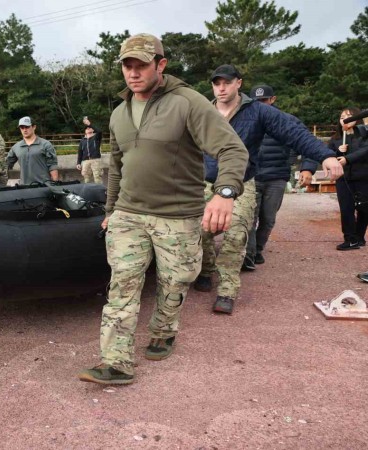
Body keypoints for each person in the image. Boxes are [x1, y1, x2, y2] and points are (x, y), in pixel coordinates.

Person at [77, 34, 249, 386]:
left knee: (174, 284)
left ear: (161, 64)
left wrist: (225, 192)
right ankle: (116, 362)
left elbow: (233, 150)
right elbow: (117, 166)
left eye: (142, 64)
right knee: (122, 285)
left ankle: (164, 330)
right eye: (128, 65)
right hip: (128, 214)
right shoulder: (118, 113)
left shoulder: (188, 103)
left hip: (178, 217)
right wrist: (111, 209)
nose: (134, 72)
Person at [195, 65, 342, 315]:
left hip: (242, 183)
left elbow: (293, 131)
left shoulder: (258, 111)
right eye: (216, 83)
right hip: (206, 182)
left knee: (236, 235)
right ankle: (207, 269)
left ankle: (227, 290)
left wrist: (325, 156)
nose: (221, 88)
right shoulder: (202, 111)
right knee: (201, 232)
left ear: (238, 83)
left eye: (226, 83)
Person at [243, 84, 318, 269]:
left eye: (264, 101)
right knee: (248, 218)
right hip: (251, 177)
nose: (261, 105)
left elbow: (308, 144)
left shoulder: (286, 120)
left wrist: (307, 168)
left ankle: (258, 249)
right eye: (256, 101)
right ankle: (249, 255)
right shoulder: (244, 120)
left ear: (273, 99)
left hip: (276, 177)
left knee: (268, 219)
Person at [328, 107, 368, 250]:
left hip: (363, 177)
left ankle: (359, 236)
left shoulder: (364, 135)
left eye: (349, 116)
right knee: (346, 208)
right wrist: (339, 151)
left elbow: (365, 151)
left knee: (363, 208)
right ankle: (350, 238)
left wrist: (348, 158)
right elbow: (329, 156)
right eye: (342, 116)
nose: (344, 119)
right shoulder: (335, 139)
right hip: (343, 179)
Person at [6, 117, 59, 185]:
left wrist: (55, 184)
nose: (24, 130)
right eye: (22, 127)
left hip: (44, 185)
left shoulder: (45, 144)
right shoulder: (16, 147)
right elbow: (6, 165)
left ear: (34, 127)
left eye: (27, 127)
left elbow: (52, 165)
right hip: (24, 187)